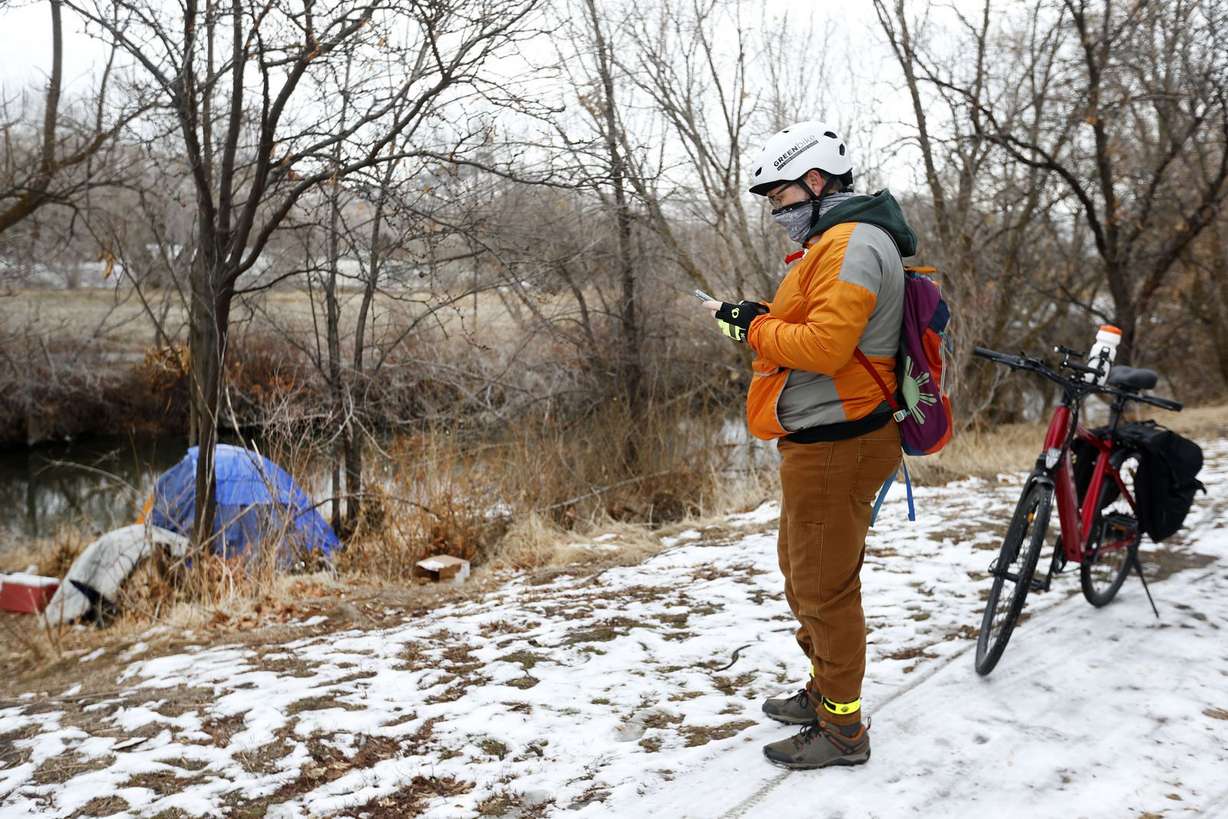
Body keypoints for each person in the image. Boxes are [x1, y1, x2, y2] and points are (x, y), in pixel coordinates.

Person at [703, 121, 916, 769]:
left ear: (816, 181)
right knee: (803, 574)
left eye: (781, 197)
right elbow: (813, 325)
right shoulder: (831, 242)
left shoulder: (852, 243)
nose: (777, 212)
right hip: (818, 438)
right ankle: (825, 685)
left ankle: (843, 726)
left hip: (840, 441)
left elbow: (825, 346)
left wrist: (757, 328)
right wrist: (759, 316)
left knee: (824, 587)